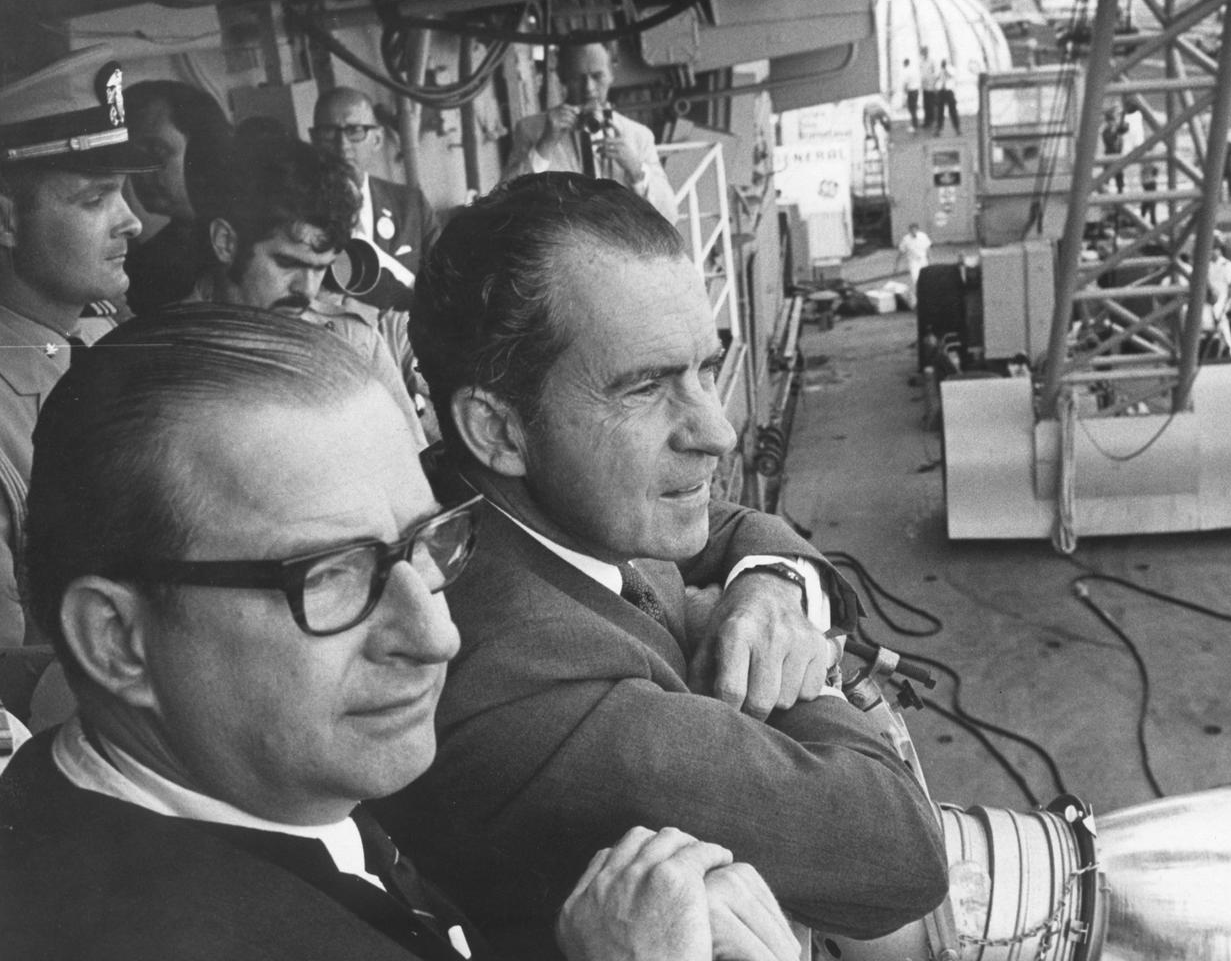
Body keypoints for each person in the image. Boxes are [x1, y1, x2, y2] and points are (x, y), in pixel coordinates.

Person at [0, 304, 799, 961]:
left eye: (423, 545)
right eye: (329, 575)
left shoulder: (223, 788)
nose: (433, 634)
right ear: (117, 641)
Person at [373, 172, 949, 957]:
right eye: (645, 388)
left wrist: (770, 588)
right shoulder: (520, 688)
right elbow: (901, 851)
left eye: (704, 370)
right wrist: (783, 673)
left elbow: (727, 527)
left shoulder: (512, 501)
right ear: (497, 430)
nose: (716, 431)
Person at [0, 46, 157, 647]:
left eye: (121, 193)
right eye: (94, 200)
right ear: (6, 222)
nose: (131, 222)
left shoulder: (106, 338)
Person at [191, 131, 436, 447]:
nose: (306, 290)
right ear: (226, 242)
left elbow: (413, 467)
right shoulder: (163, 353)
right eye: (288, 263)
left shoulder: (355, 343)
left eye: (320, 268)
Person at [503, 42, 679, 223]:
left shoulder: (639, 136)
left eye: (597, 76)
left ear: (611, 74)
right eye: (576, 78)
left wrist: (636, 170)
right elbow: (503, 201)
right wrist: (545, 145)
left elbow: (669, 217)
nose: (588, 87)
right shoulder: (530, 129)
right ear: (562, 78)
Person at [312, 86, 438, 300]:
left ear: (377, 139)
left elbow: (446, 284)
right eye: (329, 132)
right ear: (314, 139)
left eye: (355, 131)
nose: (342, 144)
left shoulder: (411, 205)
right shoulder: (302, 209)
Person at [123, 79, 232, 315]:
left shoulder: (249, 241)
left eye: (156, 150)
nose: (141, 171)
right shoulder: (142, 267)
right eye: (133, 156)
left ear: (203, 149)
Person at [1204, 241, 1231, 358]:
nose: (1212, 251)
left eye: (1215, 249)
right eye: (1211, 249)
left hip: (1223, 297)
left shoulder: (1228, 265)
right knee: (1214, 324)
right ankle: (1222, 348)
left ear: (1220, 250)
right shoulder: (1205, 265)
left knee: (1219, 317)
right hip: (1208, 297)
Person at [895, 221, 933, 308]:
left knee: (927, 281)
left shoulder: (923, 236)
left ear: (918, 230)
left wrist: (931, 261)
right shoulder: (906, 239)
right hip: (913, 263)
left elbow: (928, 249)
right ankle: (920, 301)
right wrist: (897, 265)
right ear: (909, 231)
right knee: (917, 281)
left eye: (915, 230)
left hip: (923, 261)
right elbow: (900, 252)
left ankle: (928, 300)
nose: (913, 232)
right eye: (911, 230)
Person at [933, 59, 960, 136]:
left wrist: (946, 69)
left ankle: (957, 128)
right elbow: (936, 78)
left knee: (953, 111)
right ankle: (938, 129)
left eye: (944, 63)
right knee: (940, 112)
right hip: (941, 91)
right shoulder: (940, 70)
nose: (943, 65)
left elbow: (952, 75)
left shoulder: (951, 69)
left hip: (949, 91)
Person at [918, 45, 938, 132]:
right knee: (926, 105)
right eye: (922, 52)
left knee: (932, 104)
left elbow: (935, 73)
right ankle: (927, 121)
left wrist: (934, 84)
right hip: (925, 86)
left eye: (925, 52)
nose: (924, 54)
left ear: (927, 52)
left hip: (932, 86)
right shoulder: (921, 62)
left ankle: (934, 121)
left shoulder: (932, 61)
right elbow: (922, 74)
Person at [900, 57, 921, 131]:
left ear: (905, 64)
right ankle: (915, 124)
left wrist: (904, 93)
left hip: (911, 91)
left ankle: (914, 126)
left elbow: (905, 83)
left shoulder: (906, 71)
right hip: (916, 90)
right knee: (914, 108)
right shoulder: (913, 70)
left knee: (911, 108)